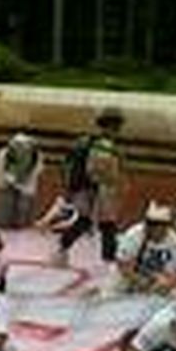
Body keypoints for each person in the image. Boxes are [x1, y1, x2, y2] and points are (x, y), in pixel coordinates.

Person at [58, 107, 125, 264]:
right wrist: (112, 185)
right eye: (116, 126)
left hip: (84, 187)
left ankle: (62, 248)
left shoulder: (87, 141)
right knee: (107, 224)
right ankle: (108, 259)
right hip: (97, 188)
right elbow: (101, 171)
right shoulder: (105, 145)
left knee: (85, 221)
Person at [113, 202, 176, 296]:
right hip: (134, 276)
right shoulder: (133, 235)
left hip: (161, 278)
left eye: (161, 226)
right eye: (153, 225)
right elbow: (122, 264)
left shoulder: (174, 241)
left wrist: (169, 284)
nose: (157, 230)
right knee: (118, 291)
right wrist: (139, 281)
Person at [0, 132, 42, 229]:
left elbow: (36, 170)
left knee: (23, 208)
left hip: (26, 184)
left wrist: (22, 182)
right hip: (6, 184)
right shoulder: (4, 154)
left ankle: (21, 230)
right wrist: (9, 180)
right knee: (5, 208)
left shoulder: (35, 155)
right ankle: (3, 229)